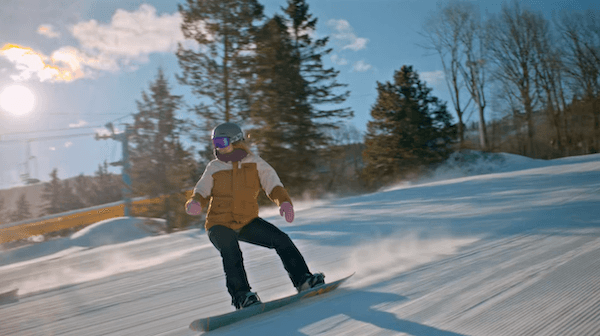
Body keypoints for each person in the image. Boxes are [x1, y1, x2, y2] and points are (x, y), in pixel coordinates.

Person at [185, 122, 325, 310]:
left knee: (281, 239)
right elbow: (201, 190)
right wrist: (195, 202)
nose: (217, 147)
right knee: (231, 250)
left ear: (235, 141)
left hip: (246, 221)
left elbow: (273, 184)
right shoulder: (214, 167)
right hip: (219, 223)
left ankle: (304, 280)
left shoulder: (255, 163)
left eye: (221, 141)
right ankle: (241, 297)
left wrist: (283, 202)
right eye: (214, 143)